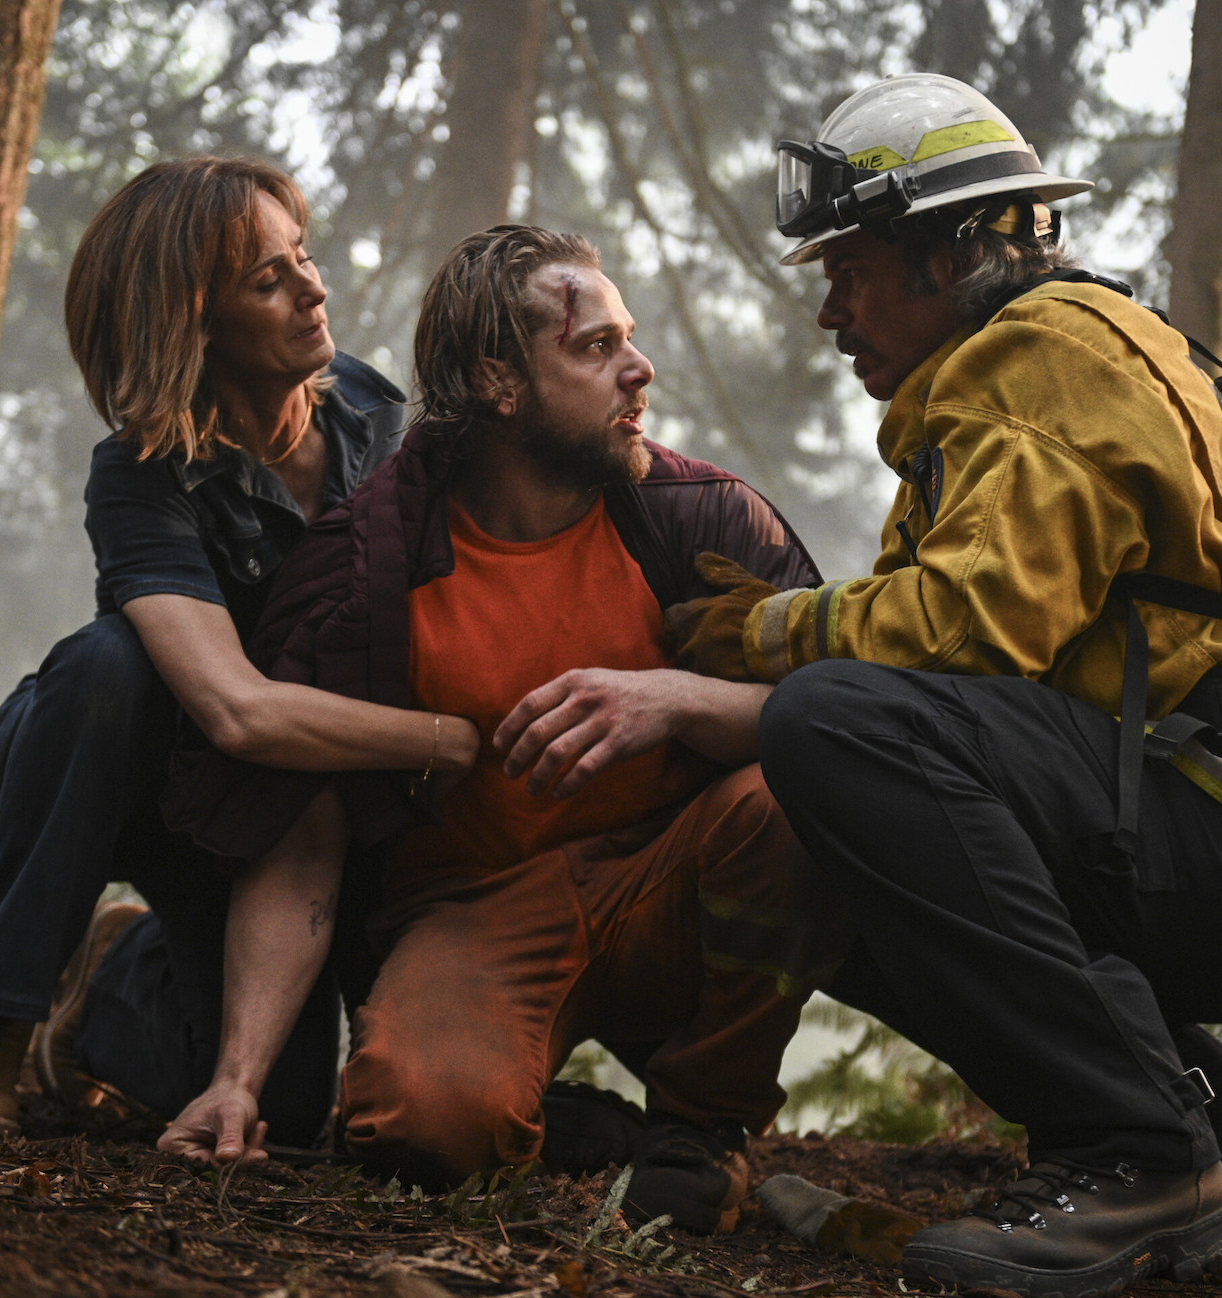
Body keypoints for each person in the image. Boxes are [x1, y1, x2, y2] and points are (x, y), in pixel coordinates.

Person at [670, 74, 1222, 1298]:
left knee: (834, 733)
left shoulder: (1038, 363)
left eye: (850, 272)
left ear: (949, 255)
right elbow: (951, 648)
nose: (830, 312)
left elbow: (965, 628)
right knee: (825, 791)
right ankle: (1181, 1090)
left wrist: (771, 633)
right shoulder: (1014, 374)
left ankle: (1140, 1152)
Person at [159, 224, 845, 1234]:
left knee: (791, 790)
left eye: (630, 339)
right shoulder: (362, 577)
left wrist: (674, 699)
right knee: (416, 1131)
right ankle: (564, 1117)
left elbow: (852, 726)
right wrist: (236, 1079)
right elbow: (303, 837)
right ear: (499, 382)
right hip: (473, 909)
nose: (638, 369)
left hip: (674, 885)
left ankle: (703, 1131)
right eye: (594, 347)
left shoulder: (704, 520)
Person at [0, 156, 480, 1147]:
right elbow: (235, 710)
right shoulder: (140, 476)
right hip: (121, 765)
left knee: (291, 1103)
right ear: (193, 324)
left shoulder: (387, 430)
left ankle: (113, 975)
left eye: (301, 255)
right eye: (269, 279)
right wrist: (446, 738)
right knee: (110, 665)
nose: (313, 286)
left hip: (269, 809)